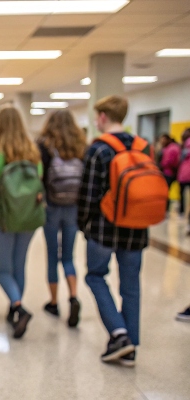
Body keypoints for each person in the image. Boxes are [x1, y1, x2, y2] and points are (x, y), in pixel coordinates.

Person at [78, 95, 160, 367]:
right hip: (137, 228)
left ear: (102, 116)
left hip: (104, 228)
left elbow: (88, 195)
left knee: (95, 276)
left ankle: (119, 333)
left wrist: (83, 224)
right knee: (131, 286)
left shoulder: (98, 149)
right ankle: (131, 344)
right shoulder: (144, 147)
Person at [0, 106, 44, 339]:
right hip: (28, 218)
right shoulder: (33, 155)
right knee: (18, 265)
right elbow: (38, 188)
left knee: (2, 269)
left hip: (1, 218)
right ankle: (15, 308)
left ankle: (18, 306)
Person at [37, 110, 86, 327]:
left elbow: (40, 177)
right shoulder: (80, 146)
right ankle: (73, 296)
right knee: (68, 256)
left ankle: (54, 302)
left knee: (51, 255)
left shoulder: (45, 145)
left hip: (51, 206)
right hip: (72, 208)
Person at [158, 133, 181, 213]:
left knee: (165, 191)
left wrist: (162, 165)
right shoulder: (172, 147)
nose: (162, 141)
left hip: (168, 172)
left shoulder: (171, 148)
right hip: (171, 172)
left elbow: (169, 161)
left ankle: (165, 208)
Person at [176, 128, 190, 229]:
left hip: (183, 175)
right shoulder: (182, 147)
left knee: (182, 195)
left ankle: (181, 213)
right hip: (184, 174)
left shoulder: (183, 147)